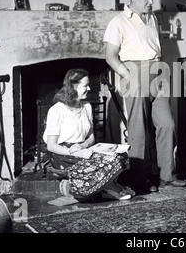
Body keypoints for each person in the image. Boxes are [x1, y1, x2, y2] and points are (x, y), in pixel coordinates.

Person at [103, 0, 186, 192]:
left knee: (167, 124)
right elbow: (110, 57)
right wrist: (127, 75)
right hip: (134, 72)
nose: (151, 1)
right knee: (138, 130)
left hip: (157, 72)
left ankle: (167, 175)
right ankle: (139, 180)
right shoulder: (118, 22)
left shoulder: (152, 18)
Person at [43, 68, 135, 201]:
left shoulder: (86, 106)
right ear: (73, 87)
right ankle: (110, 189)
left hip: (82, 148)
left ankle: (105, 188)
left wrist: (83, 145)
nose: (89, 88)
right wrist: (75, 152)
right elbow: (51, 146)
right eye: (85, 85)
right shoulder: (57, 110)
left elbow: (91, 137)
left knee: (119, 156)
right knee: (105, 162)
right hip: (63, 153)